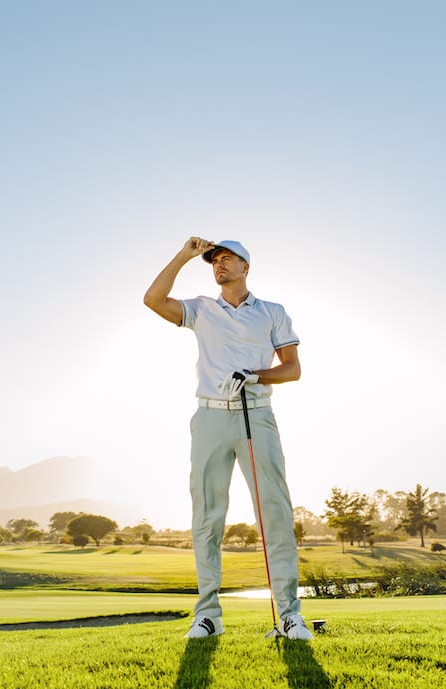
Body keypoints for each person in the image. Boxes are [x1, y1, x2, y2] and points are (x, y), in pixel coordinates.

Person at [143, 237, 313, 640]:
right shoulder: (201, 309)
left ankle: (289, 615)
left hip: (257, 415)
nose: (218, 265)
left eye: (227, 259)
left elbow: (292, 369)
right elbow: (153, 299)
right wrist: (184, 255)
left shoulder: (272, 312)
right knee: (207, 517)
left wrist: (256, 376)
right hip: (210, 418)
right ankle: (208, 616)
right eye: (214, 261)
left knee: (275, 514)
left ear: (245, 266)